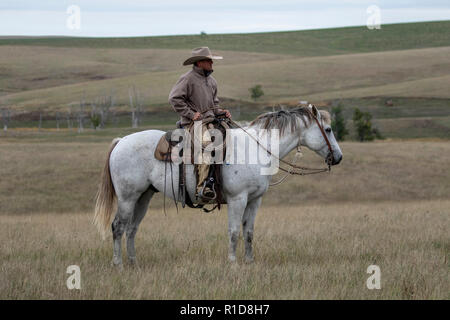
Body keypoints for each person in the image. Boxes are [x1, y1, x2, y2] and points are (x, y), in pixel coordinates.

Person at [169, 47, 231, 201]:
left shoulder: (212, 81)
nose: (211, 63)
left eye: (211, 60)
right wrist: (191, 114)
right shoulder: (188, 78)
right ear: (199, 62)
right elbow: (174, 98)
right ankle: (202, 187)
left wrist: (221, 112)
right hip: (193, 124)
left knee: (233, 140)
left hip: (211, 121)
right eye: (209, 60)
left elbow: (214, 104)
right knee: (207, 146)